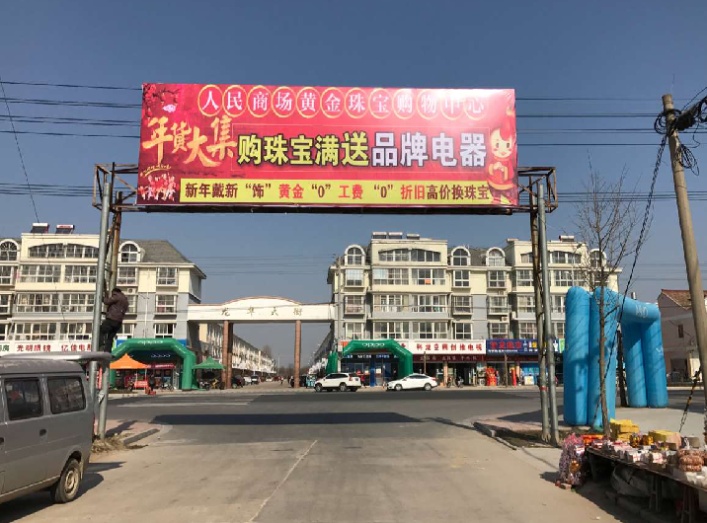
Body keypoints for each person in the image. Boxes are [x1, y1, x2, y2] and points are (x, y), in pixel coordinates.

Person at [99, 287, 129, 353]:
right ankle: (108, 351)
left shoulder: (117, 296)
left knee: (100, 330)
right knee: (110, 337)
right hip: (119, 322)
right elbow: (118, 310)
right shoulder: (125, 300)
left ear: (114, 292)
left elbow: (106, 302)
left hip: (112, 319)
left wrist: (100, 297)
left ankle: (100, 344)